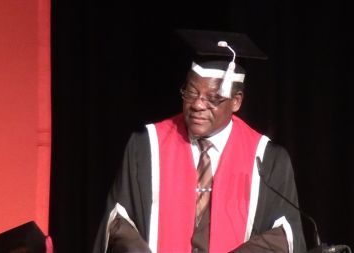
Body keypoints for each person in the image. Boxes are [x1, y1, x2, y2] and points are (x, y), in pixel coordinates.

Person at [93, 29, 307, 253]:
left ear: (236, 102)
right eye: (191, 93)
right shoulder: (146, 147)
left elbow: (283, 237)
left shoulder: (268, 160)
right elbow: (119, 224)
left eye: (212, 98)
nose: (197, 105)